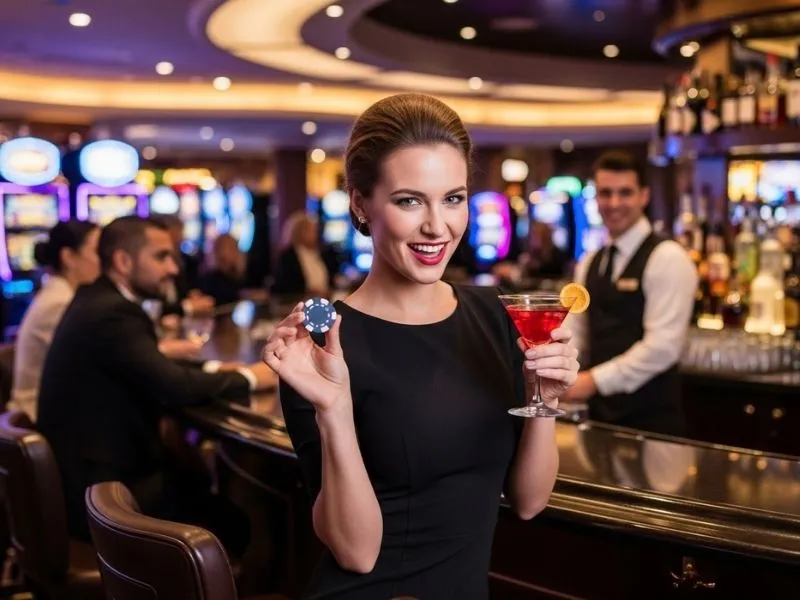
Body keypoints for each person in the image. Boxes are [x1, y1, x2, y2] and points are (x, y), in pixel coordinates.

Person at [264, 93, 579, 599]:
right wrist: (334, 410)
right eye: (410, 200)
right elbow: (356, 552)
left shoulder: (498, 316)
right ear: (361, 203)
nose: (438, 226)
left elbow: (528, 501)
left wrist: (545, 396)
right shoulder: (324, 346)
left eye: (453, 198)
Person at [37, 216, 274, 553]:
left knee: (200, 481)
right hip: (106, 498)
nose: (174, 268)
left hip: (94, 479)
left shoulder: (100, 300)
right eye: (161, 257)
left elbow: (147, 363)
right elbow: (174, 386)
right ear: (123, 261)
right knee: (244, 521)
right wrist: (252, 377)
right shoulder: (113, 313)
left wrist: (214, 366)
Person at [561, 150, 698, 436]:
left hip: (652, 424)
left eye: (625, 193)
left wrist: (590, 382)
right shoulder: (590, 261)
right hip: (598, 419)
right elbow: (577, 333)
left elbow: (662, 348)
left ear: (644, 196)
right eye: (605, 193)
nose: (614, 203)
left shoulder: (667, 257)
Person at [10, 220, 100, 421]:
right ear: (69, 257)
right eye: (97, 251)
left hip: (61, 408)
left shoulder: (65, 295)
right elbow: (96, 363)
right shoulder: (59, 303)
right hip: (41, 417)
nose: (104, 260)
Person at [271, 212, 336, 298]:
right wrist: (308, 291)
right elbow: (284, 286)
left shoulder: (318, 253)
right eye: (312, 231)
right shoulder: (288, 256)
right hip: (297, 303)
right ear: (301, 232)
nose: (315, 235)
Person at [198, 233, 247, 306]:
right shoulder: (211, 279)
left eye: (235, 247)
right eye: (231, 248)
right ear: (219, 251)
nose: (236, 252)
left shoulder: (235, 275)